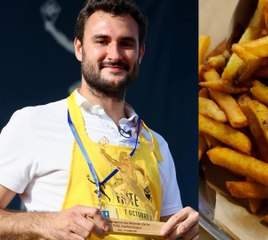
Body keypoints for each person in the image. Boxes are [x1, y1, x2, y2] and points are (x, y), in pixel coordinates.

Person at [0, 0, 198, 239]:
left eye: (126, 43)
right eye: (102, 41)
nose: (114, 55)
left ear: (140, 53)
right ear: (79, 48)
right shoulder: (32, 123)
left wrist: (187, 232)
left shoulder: (157, 145)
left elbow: (169, 231)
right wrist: (47, 223)